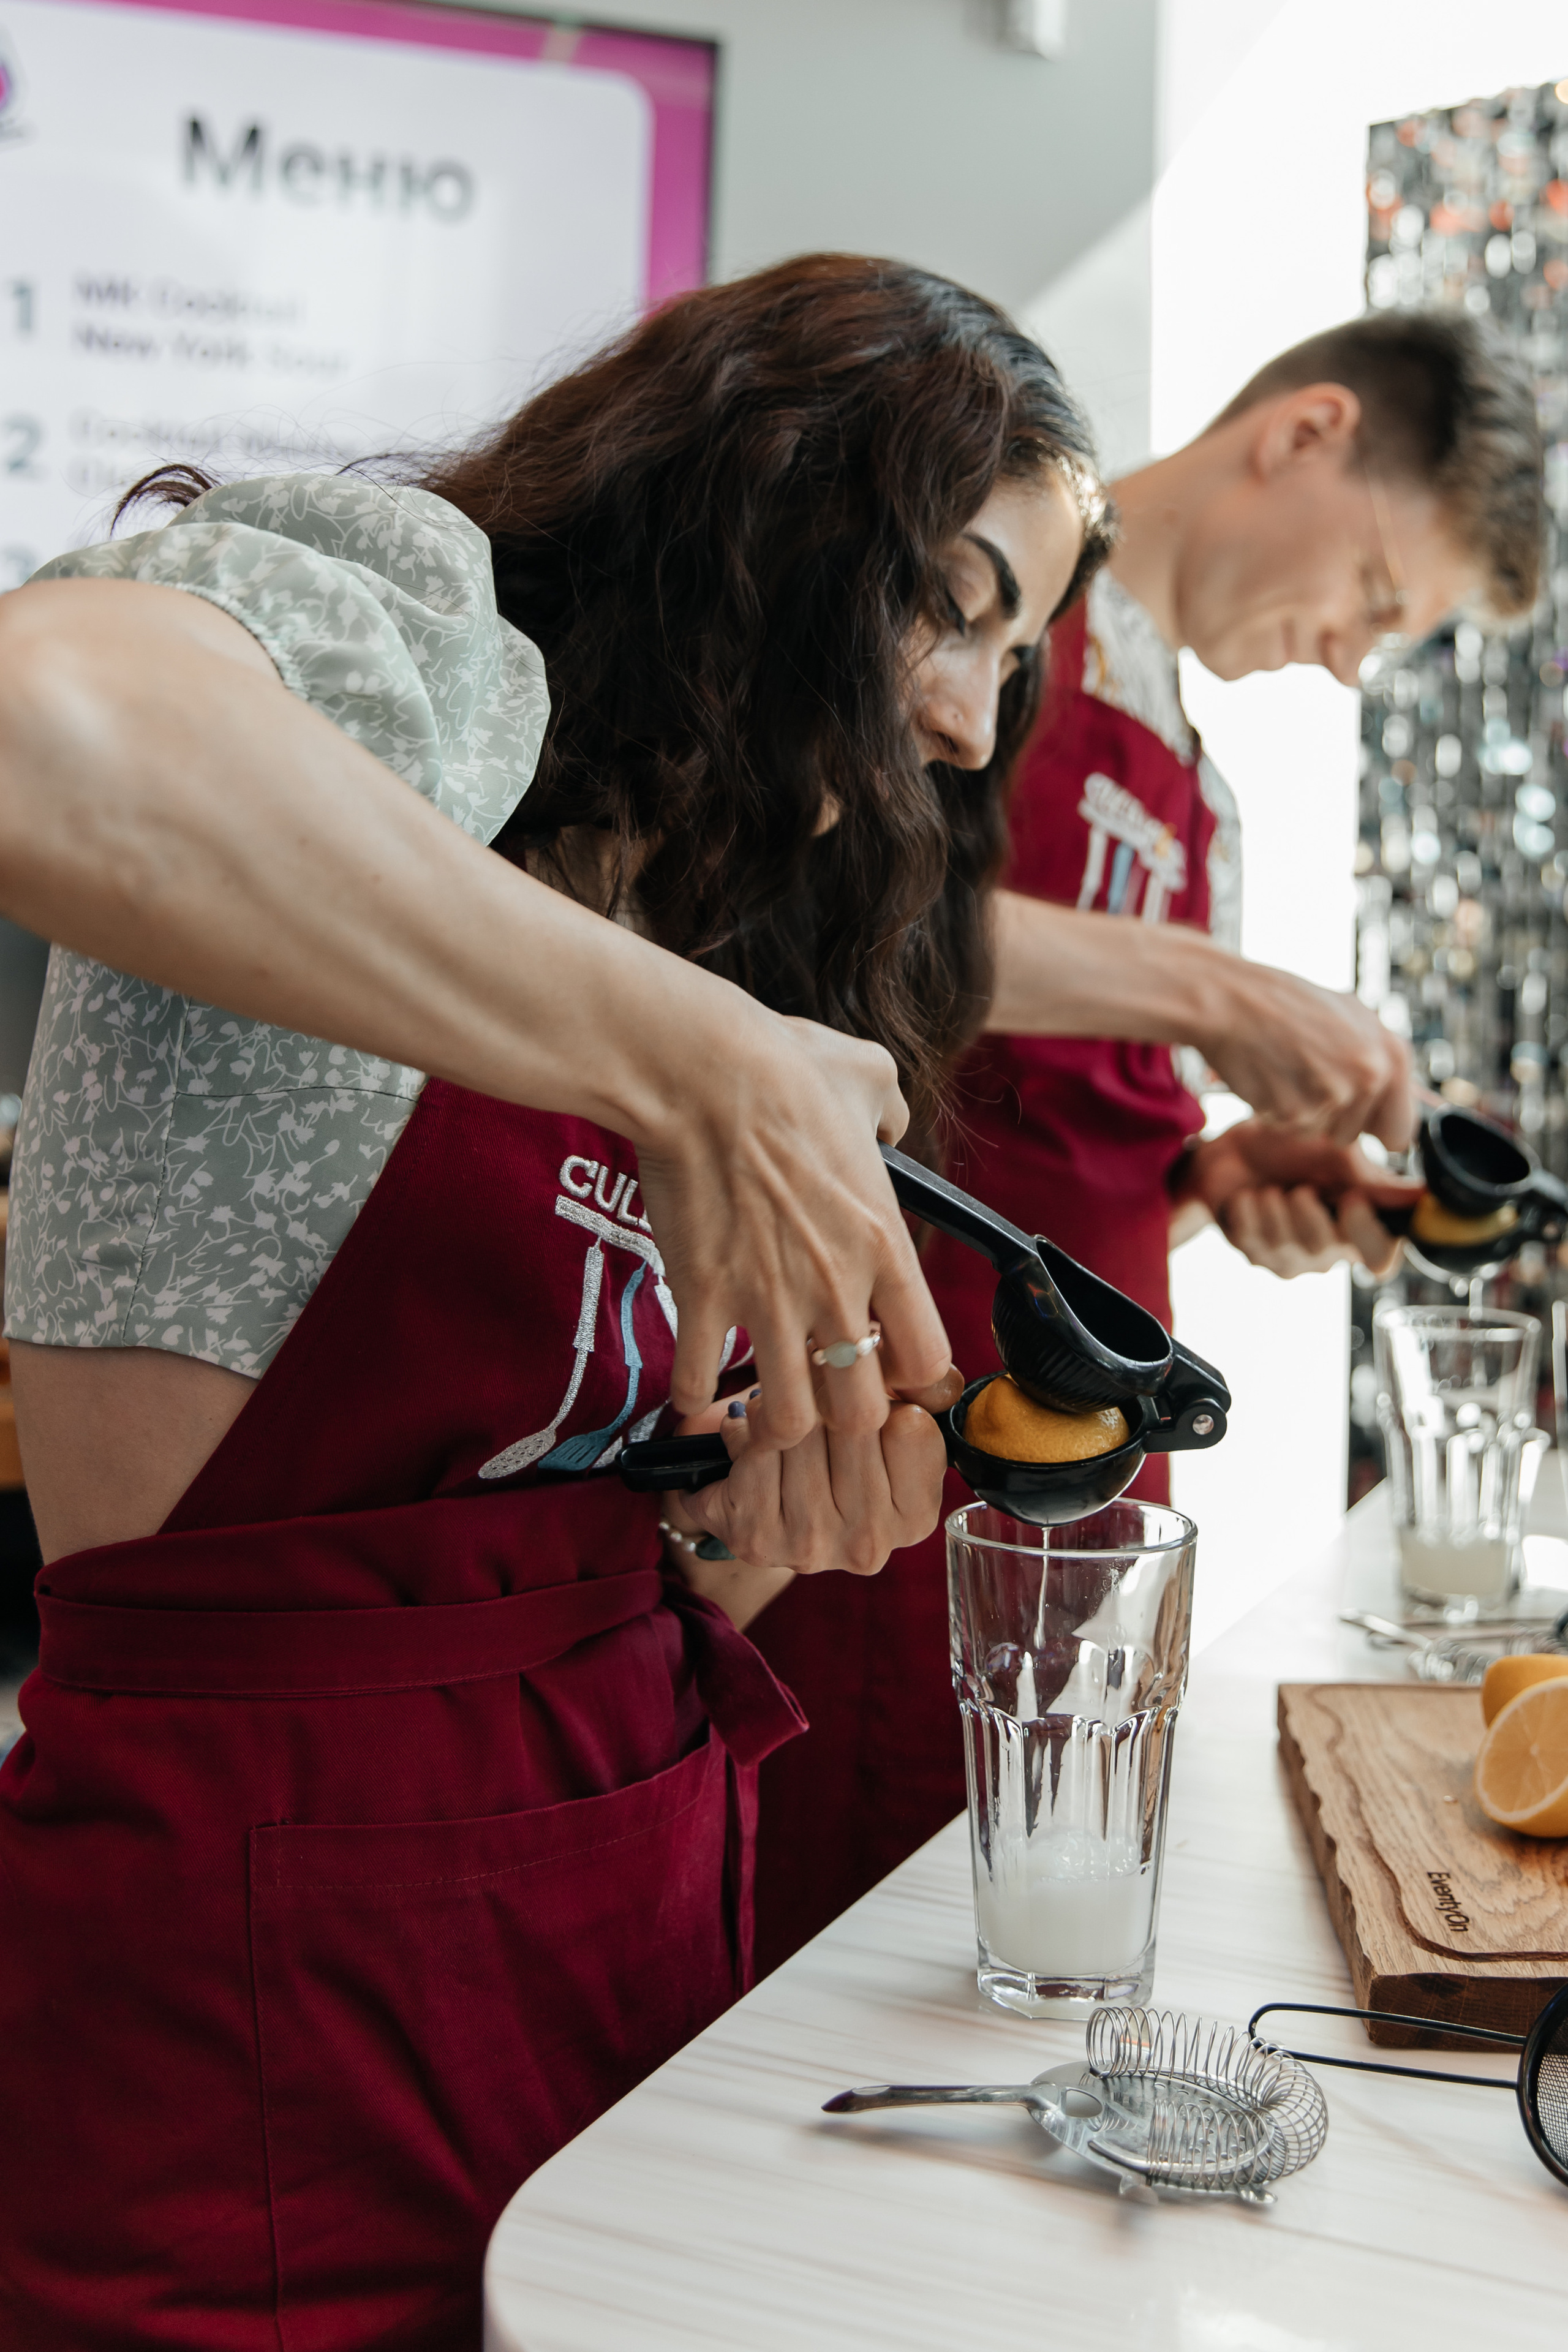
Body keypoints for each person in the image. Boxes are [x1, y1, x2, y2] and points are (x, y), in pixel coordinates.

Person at [0, 255, 1109, 2350]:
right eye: (954, 602)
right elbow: (45, 728)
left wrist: (760, 1536)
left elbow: (624, 1560)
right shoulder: (415, 639)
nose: (972, 721)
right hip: (260, 2017)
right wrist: (687, 1052)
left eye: (1017, 660)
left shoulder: (713, 927)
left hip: (623, 1960)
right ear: (769, 497)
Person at [747, 308, 1543, 1973]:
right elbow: (825, 933)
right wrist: (1219, 988)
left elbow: (1042, 1162)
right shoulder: (992, 625)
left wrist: (1212, 1185)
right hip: (885, 1430)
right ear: (1307, 431)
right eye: (1380, 600)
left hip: (1083, 1477)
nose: (1346, 655)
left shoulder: (1199, 794)